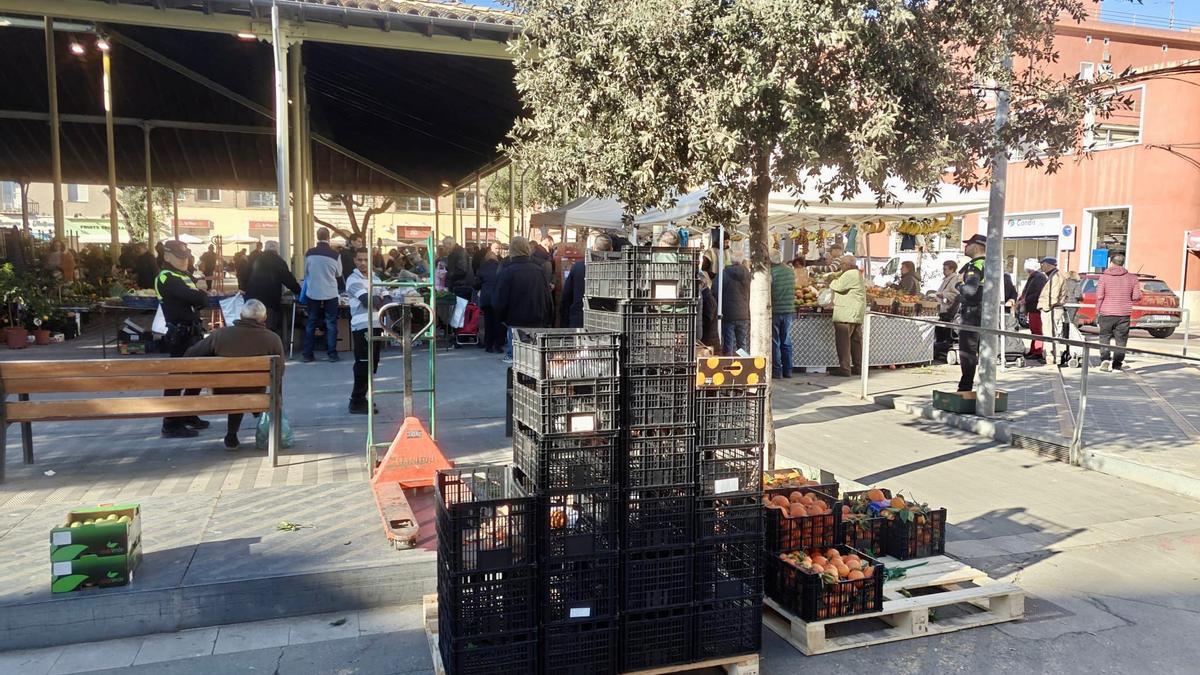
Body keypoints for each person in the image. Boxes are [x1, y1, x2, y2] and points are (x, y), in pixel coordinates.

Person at [184, 299, 284, 449]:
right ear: (264, 318)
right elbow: (280, 370)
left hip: (221, 392)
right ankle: (258, 421)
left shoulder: (221, 334)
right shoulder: (273, 339)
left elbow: (190, 356)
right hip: (256, 393)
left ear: (241, 315)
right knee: (245, 388)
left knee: (234, 385)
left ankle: (232, 435)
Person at [156, 240, 212, 439]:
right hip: (179, 334)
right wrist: (201, 295)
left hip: (192, 331)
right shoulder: (167, 277)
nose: (184, 261)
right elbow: (196, 298)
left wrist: (199, 296)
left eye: (186, 257)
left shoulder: (183, 275)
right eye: (180, 258)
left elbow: (196, 300)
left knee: (197, 375)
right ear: (167, 256)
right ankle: (170, 423)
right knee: (177, 379)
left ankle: (188, 412)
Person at [493, 236, 553, 363]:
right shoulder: (538, 270)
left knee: (518, 360)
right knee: (535, 360)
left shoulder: (507, 270)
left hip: (515, 320)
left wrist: (502, 318)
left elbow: (500, 298)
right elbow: (546, 296)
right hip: (537, 319)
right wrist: (548, 317)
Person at [346, 248, 390, 414]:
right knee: (363, 364)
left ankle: (362, 397)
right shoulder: (352, 280)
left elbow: (388, 299)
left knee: (372, 364)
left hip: (376, 325)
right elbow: (367, 301)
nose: (363, 263)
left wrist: (378, 299)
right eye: (360, 259)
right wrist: (379, 298)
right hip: (362, 327)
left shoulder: (376, 278)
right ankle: (356, 401)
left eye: (366, 259)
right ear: (355, 261)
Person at [302, 227, 345, 362]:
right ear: (328, 238)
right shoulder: (335, 255)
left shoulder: (309, 253)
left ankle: (307, 354)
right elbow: (338, 273)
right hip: (330, 292)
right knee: (331, 323)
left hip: (313, 292)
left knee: (311, 322)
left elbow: (306, 272)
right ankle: (332, 353)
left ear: (317, 236)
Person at [1095, 253, 1142, 372]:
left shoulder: (1104, 277)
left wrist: (1097, 311)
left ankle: (1105, 359)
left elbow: (1099, 296)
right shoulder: (1132, 278)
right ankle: (1117, 364)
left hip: (1106, 312)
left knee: (1104, 337)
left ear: (1111, 262)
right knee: (1121, 340)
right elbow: (1137, 296)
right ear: (1123, 263)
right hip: (1124, 313)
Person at [246, 240, 301, 339]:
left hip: (252, 297)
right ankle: (268, 347)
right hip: (270, 298)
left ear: (265, 248)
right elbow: (288, 279)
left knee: (252, 323)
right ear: (277, 250)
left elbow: (245, 275)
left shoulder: (256, 258)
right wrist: (299, 291)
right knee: (268, 325)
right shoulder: (278, 261)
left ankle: (252, 345)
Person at [955, 234, 987, 392]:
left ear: (977, 246)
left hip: (972, 313)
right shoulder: (990, 264)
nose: (965, 247)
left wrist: (958, 285)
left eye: (968, 244)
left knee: (967, 351)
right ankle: (985, 388)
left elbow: (970, 291)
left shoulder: (976, 265)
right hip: (985, 313)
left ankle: (965, 387)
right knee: (984, 351)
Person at [561, 234, 612, 328]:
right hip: (605, 321)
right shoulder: (615, 270)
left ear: (593, 248)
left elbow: (566, 296)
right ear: (611, 249)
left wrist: (564, 321)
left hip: (579, 319)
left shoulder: (578, 267)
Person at [828, 255, 866, 376]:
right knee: (856, 342)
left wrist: (830, 280)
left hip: (846, 313)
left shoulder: (850, 274)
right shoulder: (856, 273)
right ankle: (859, 367)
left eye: (842, 264)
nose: (841, 266)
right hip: (855, 313)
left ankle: (844, 368)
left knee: (843, 342)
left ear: (848, 265)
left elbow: (837, 286)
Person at [476, 241, 507, 352]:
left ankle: (488, 345)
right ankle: (498, 345)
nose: (498, 250)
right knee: (498, 321)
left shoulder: (483, 266)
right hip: (497, 296)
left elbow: (477, 282)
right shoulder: (501, 265)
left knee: (488, 322)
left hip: (486, 297)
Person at [1036, 256, 1068, 366]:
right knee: (1050, 333)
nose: (1042, 266)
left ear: (1049, 264)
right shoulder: (1053, 276)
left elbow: (1053, 295)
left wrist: (1046, 307)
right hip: (1051, 308)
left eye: (1043, 264)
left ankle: (1052, 357)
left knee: (1051, 333)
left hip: (1051, 309)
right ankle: (1051, 356)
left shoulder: (1056, 276)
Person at [770, 251, 796, 378]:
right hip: (789, 310)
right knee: (786, 340)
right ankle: (788, 370)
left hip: (775, 310)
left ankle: (777, 371)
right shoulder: (790, 270)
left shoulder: (770, 272)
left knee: (775, 342)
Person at [721, 251, 751, 355]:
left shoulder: (724, 273)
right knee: (742, 343)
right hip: (743, 313)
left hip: (728, 313)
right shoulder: (748, 274)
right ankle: (743, 365)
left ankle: (728, 367)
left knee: (728, 343)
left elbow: (715, 291)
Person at [1018, 259, 1047, 361]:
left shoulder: (1038, 278)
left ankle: (1037, 351)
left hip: (1036, 308)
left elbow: (1038, 293)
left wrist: (1026, 299)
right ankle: (1034, 349)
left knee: (1037, 330)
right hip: (1033, 308)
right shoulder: (1035, 277)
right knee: (1034, 330)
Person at [934, 259, 960, 361]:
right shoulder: (946, 278)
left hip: (947, 310)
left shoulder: (954, 279)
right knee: (939, 331)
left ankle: (942, 349)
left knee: (943, 331)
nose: (943, 271)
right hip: (942, 308)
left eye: (945, 269)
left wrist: (942, 294)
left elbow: (955, 295)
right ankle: (940, 348)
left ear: (952, 269)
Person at [699, 270, 720, 349]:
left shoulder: (707, 298)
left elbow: (707, 318)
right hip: (709, 340)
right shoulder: (706, 296)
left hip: (709, 341)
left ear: (702, 284)